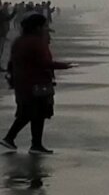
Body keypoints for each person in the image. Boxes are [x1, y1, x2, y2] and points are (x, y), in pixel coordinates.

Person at [2, 12, 74, 154]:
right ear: (37, 27)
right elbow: (44, 63)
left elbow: (13, 62)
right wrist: (63, 66)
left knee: (33, 113)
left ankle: (35, 144)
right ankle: (11, 138)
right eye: (44, 25)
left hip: (22, 82)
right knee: (31, 113)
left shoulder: (19, 40)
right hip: (36, 83)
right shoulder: (36, 42)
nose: (46, 28)